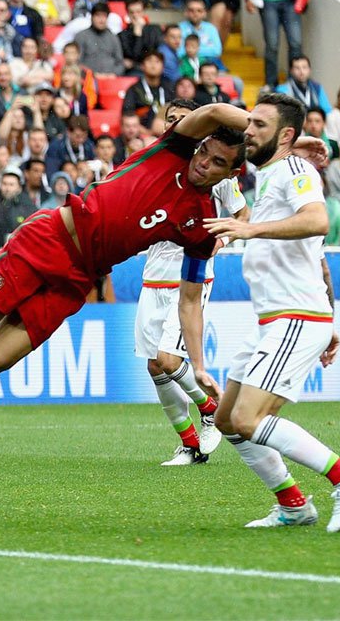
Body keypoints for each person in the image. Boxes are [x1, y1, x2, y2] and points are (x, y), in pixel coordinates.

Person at [0, 101, 328, 450]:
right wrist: (272, 137)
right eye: (205, 154)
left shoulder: (200, 223)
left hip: (80, 278)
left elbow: (189, 297)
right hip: (49, 237)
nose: (204, 164)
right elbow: (221, 112)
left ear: (230, 176)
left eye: (219, 164)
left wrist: (198, 365)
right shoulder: (171, 149)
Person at [203, 92, 340, 532]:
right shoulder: (277, 170)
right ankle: (294, 505)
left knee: (248, 419)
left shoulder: (295, 171)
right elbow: (315, 257)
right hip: (278, 320)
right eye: (250, 122)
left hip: (294, 318)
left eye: (259, 125)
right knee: (226, 420)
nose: (248, 130)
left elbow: (318, 221)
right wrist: (330, 318)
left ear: (283, 134)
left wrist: (249, 228)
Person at [132, 99, 248, 465]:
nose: (177, 124)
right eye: (171, 120)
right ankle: (190, 444)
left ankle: (212, 409)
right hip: (153, 276)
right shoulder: (160, 168)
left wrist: (224, 238)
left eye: (183, 119)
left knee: (169, 359)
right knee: (154, 365)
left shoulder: (215, 172)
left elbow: (243, 215)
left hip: (191, 279)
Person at [244, 0, 307, 90]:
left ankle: (295, 81)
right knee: (272, 44)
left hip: (290, 0)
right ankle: (271, 82)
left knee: (295, 42)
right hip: (267, 1)